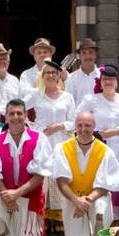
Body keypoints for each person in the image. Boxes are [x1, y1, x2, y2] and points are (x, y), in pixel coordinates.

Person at [77, 65, 119, 218]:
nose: (108, 82)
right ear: (100, 82)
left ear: (116, 82)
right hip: (100, 145)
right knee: (102, 178)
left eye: (111, 79)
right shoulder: (91, 100)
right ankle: (103, 215)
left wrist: (118, 130)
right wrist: (91, 131)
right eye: (105, 79)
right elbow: (79, 117)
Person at [0, 99, 53, 236]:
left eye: (19, 113)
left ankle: (19, 232)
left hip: (30, 196)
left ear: (26, 116)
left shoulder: (39, 138)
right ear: (6, 117)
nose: (15, 117)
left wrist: (17, 194)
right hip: (5, 193)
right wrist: (7, 196)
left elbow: (40, 174)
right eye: (11, 114)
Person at [52, 112, 119, 236]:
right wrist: (76, 200)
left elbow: (106, 185)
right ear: (75, 126)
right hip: (72, 197)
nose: (83, 129)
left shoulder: (105, 151)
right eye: (80, 125)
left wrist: (87, 201)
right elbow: (61, 181)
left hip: (96, 196)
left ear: (94, 127)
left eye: (87, 125)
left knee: (100, 209)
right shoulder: (63, 148)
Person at [24, 59, 76, 218]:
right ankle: (43, 218)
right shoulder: (36, 95)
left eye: (54, 73)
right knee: (44, 177)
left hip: (62, 142)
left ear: (59, 75)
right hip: (42, 142)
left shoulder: (67, 97)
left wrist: (59, 126)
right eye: (47, 73)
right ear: (43, 75)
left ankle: (59, 221)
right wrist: (31, 128)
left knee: (59, 176)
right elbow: (19, 108)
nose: (51, 76)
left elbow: (73, 121)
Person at [65, 38, 100, 104]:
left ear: (95, 55)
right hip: (78, 114)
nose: (87, 56)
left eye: (90, 52)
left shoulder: (102, 76)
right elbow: (69, 103)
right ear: (80, 56)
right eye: (84, 53)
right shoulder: (71, 78)